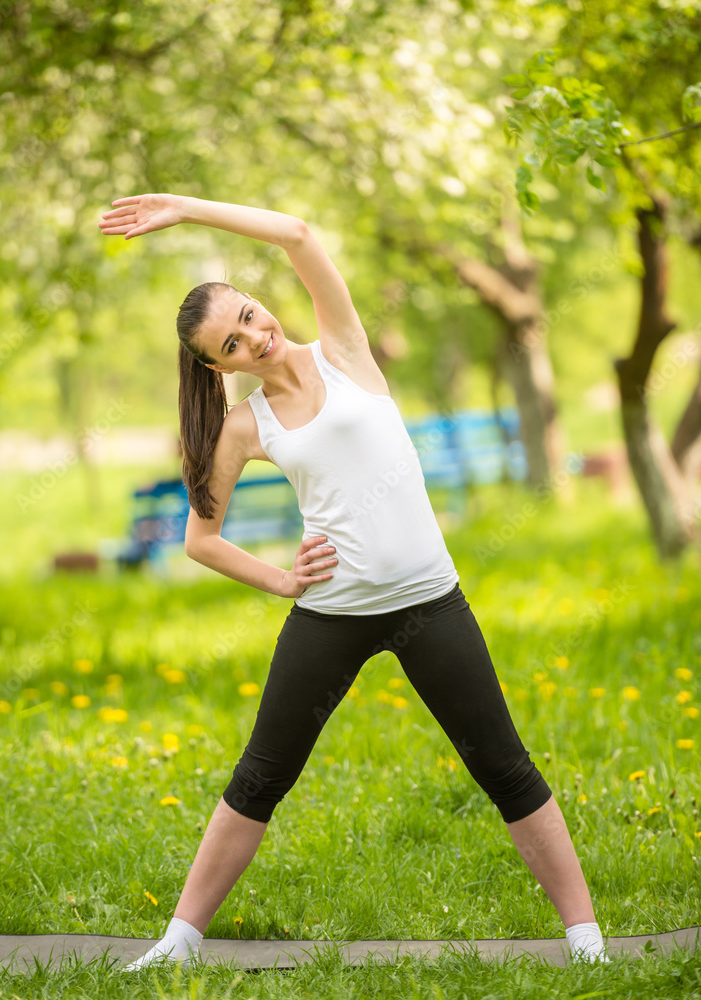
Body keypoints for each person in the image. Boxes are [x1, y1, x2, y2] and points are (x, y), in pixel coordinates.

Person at [98, 192, 609, 969]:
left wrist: (187, 211)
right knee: (260, 776)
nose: (256, 337)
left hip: (429, 603)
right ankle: (176, 944)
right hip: (330, 615)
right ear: (217, 366)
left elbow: (299, 232)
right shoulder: (245, 426)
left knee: (501, 763)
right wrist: (278, 580)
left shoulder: (341, 349)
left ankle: (587, 941)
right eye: (233, 344)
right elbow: (201, 540)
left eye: (250, 314)